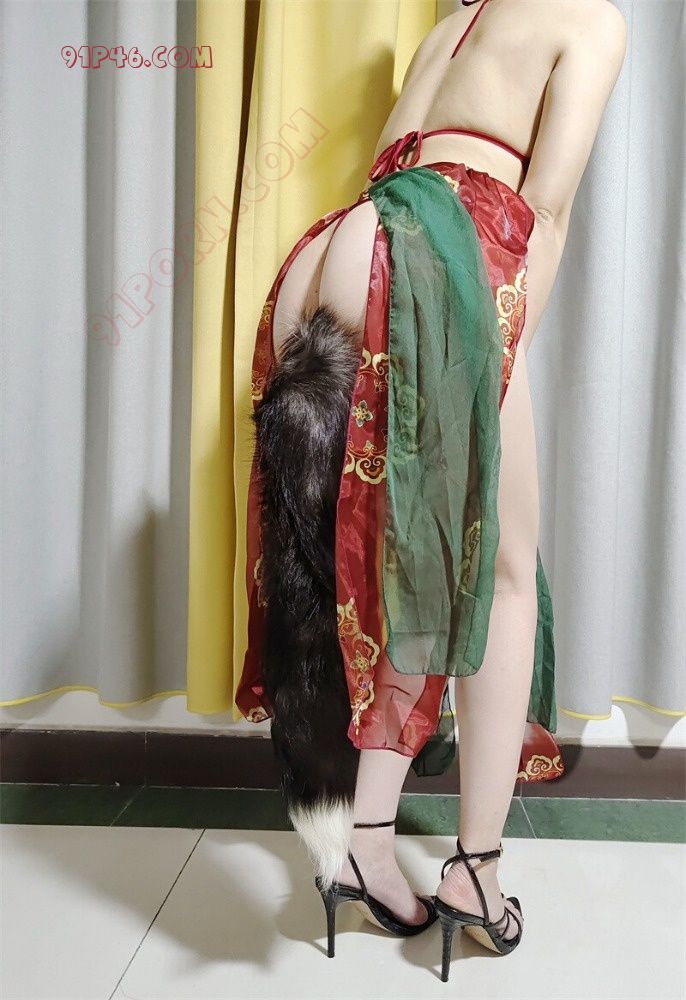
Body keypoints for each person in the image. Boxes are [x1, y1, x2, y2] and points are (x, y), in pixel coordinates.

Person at [235, 0, 627, 980]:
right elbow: (544, 211)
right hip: (431, 255)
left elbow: (388, 169)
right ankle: (475, 873)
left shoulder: (446, 30)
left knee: (380, 567)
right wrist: (496, 354)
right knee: (498, 573)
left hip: (333, 248)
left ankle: (357, 842)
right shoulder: (590, 19)